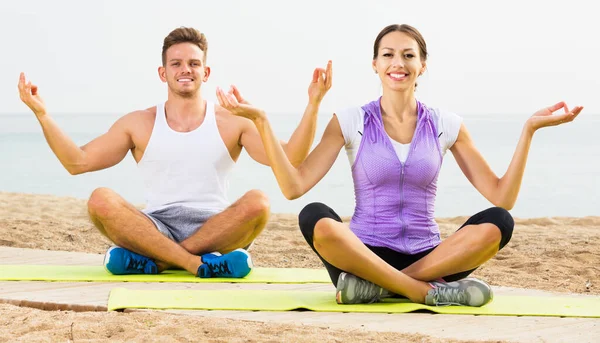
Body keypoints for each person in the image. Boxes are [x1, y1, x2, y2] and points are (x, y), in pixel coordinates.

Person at [216, 24, 583, 306]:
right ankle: (425, 293)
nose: (398, 63)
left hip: (429, 256)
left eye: (408, 55)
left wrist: (529, 130)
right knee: (314, 215)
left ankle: (385, 286)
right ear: (375, 65)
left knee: (498, 223)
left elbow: (503, 195)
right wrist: (263, 121)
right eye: (388, 55)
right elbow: (294, 187)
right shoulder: (349, 120)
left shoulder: (446, 123)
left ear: (422, 65)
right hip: (362, 255)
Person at [17, 27, 332, 279]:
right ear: (162, 72)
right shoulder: (138, 123)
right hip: (155, 226)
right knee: (100, 199)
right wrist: (42, 115)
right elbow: (77, 162)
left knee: (259, 203)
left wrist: (314, 104)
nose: (186, 69)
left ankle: (160, 261)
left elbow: (291, 157)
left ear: (205, 73)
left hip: (217, 227)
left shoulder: (233, 121)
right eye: (176, 63)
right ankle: (198, 264)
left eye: (194, 63)